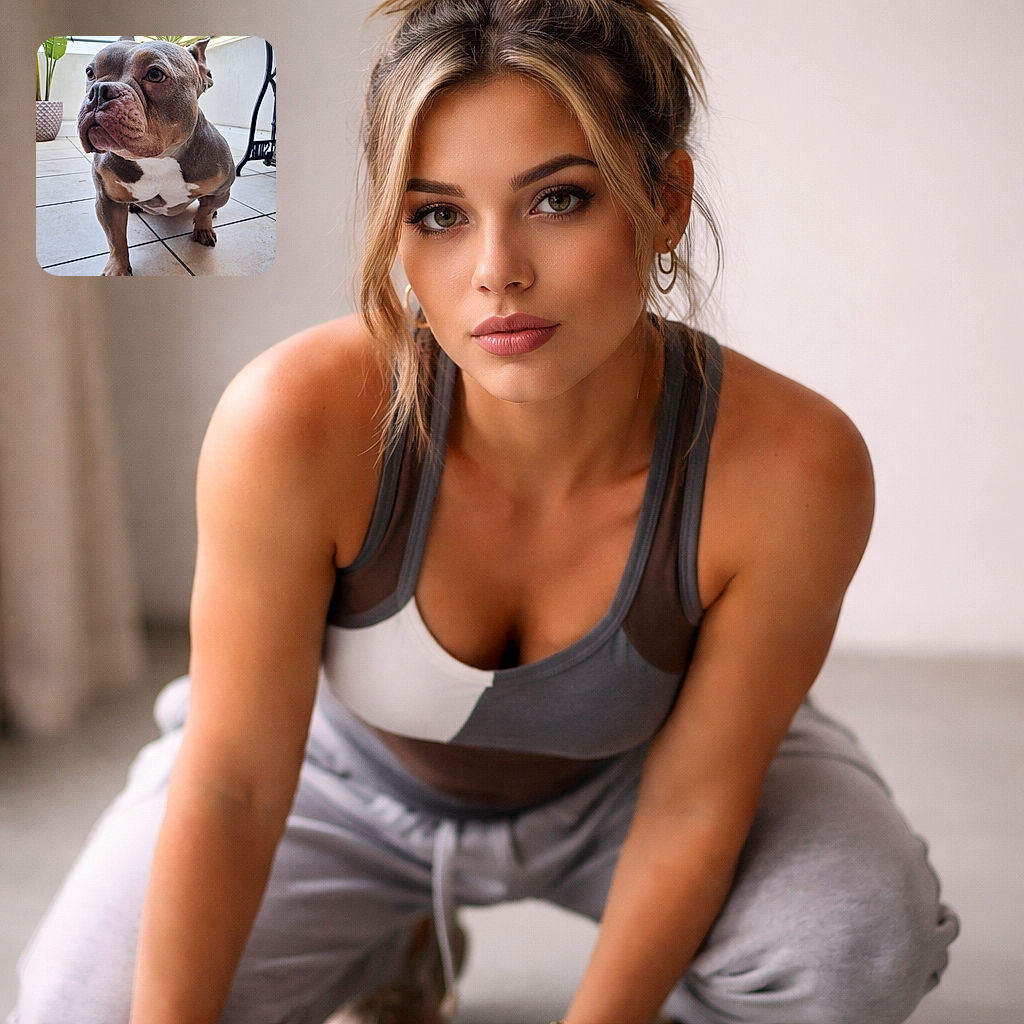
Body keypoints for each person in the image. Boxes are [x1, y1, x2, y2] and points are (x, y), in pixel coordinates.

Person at [12, 2, 958, 1023]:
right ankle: (388, 940)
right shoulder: (293, 421)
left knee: (853, 940)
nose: (495, 270)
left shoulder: (790, 463)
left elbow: (693, 808)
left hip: (641, 777)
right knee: (83, 1008)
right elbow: (236, 784)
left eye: (558, 199)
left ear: (666, 198)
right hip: (332, 775)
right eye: (438, 213)